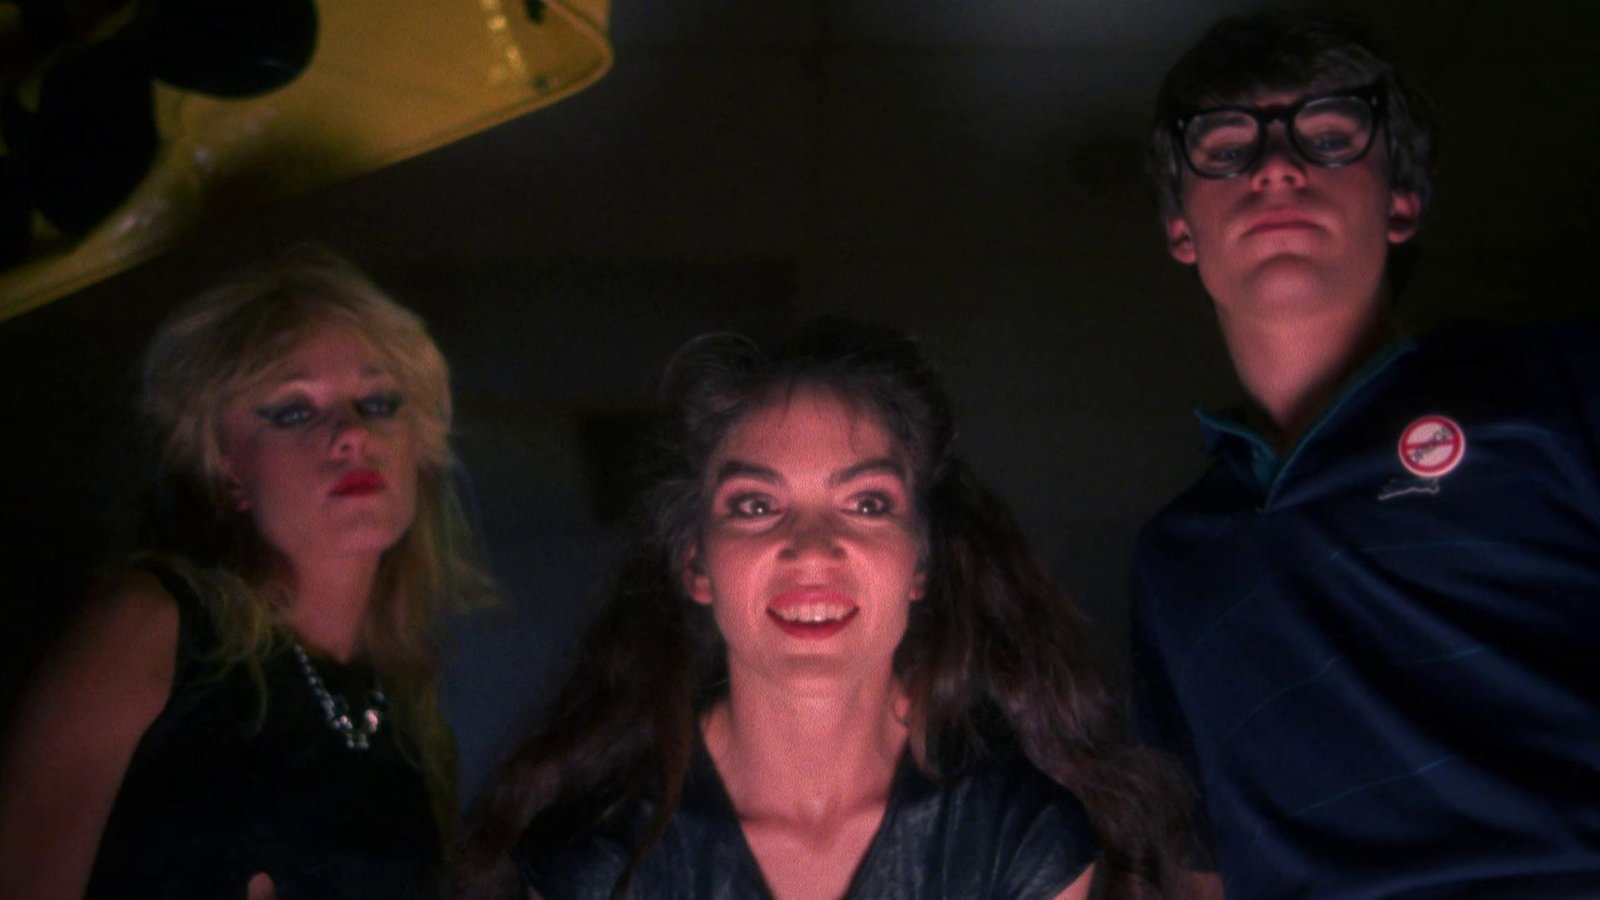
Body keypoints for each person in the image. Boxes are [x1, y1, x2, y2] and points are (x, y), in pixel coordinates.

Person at [461, 318, 1192, 899]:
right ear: (696, 565)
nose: (811, 549)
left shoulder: (1017, 834)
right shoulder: (598, 854)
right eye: (755, 505)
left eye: (866, 504)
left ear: (920, 563)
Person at [1133, 11, 1600, 898]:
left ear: (1401, 204)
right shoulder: (1173, 562)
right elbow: (1198, 872)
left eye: (1329, 136)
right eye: (1226, 147)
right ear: (1181, 233)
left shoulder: (1560, 388)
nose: (1276, 166)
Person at [0, 247, 493, 898]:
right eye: (293, 410)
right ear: (226, 468)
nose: (351, 434)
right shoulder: (153, 627)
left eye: (378, 402)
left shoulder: (408, 714)